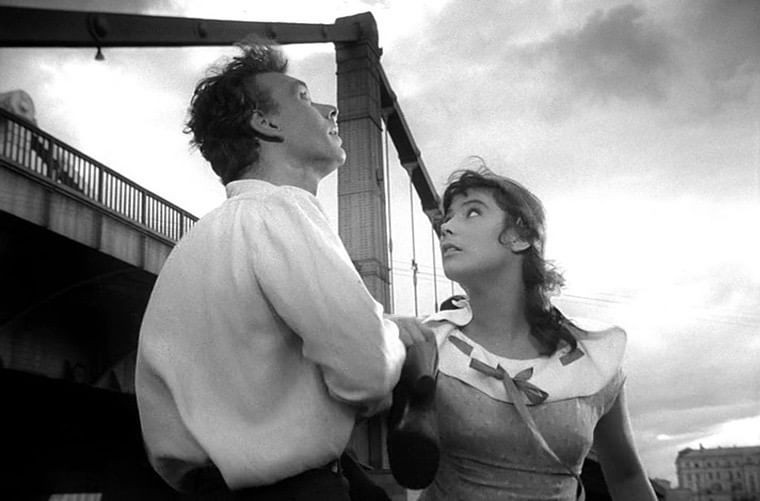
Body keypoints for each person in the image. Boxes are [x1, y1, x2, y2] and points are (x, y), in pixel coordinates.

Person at [135, 38, 424, 500]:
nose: (331, 109)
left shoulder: (196, 243)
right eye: (304, 97)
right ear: (265, 122)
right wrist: (396, 339)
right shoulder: (282, 210)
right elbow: (367, 372)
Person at [417, 166, 657, 500]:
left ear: (521, 237)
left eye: (472, 212)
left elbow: (628, 478)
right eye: (448, 217)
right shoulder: (427, 345)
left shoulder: (592, 358)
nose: (446, 227)